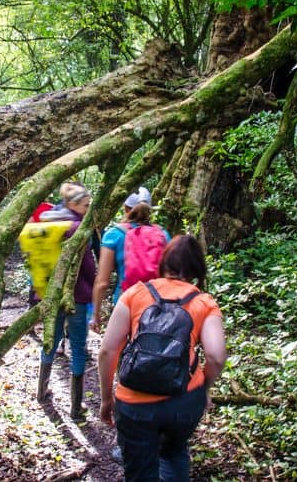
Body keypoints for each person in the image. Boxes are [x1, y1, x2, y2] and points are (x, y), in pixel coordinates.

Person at [97, 235, 227, 481]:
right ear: (197, 268)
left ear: (163, 262)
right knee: (174, 452)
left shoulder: (135, 293)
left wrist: (106, 398)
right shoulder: (204, 302)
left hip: (134, 402)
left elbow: (107, 350)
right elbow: (216, 356)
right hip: (183, 401)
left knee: (139, 469)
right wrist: (204, 389)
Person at [35, 182, 96, 420]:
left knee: (51, 338)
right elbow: (89, 267)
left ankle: (42, 391)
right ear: (72, 203)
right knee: (78, 346)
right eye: (85, 205)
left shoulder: (48, 222)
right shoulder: (77, 228)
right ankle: (75, 406)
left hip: (51, 295)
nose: (88, 208)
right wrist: (93, 287)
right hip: (77, 296)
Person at [90, 186, 168, 332]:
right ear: (150, 208)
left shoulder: (114, 234)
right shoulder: (163, 234)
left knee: (122, 350)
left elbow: (102, 282)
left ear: (125, 208)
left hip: (126, 302)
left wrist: (95, 315)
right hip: (158, 302)